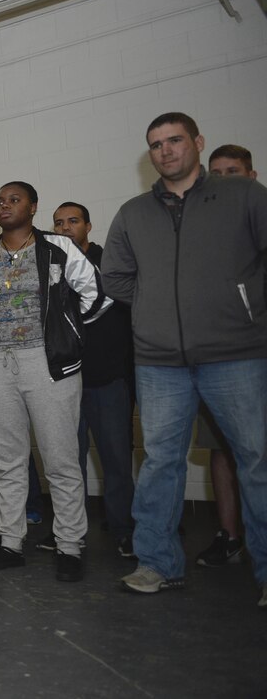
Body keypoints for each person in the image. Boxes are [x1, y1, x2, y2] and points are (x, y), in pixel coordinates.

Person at [102, 114, 267, 609]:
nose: (165, 151)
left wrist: (248, 305)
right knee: (160, 463)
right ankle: (157, 564)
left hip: (235, 353)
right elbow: (114, 277)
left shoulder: (244, 197)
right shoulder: (132, 213)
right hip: (158, 362)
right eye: (155, 145)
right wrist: (154, 309)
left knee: (257, 462)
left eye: (174, 141)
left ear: (197, 143)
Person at [0, 182, 108, 583]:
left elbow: (97, 296)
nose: (5, 206)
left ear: (33, 207)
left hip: (48, 364)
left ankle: (69, 545)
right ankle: (10, 541)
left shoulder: (58, 248)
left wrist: (68, 334)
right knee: (7, 460)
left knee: (60, 459)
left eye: (14, 199)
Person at [51, 202, 135, 558]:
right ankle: (72, 533)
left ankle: (123, 530)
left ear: (88, 225)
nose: (66, 227)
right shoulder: (51, 267)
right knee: (68, 461)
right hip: (64, 379)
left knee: (116, 459)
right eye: (58, 223)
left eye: (73, 221)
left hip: (107, 377)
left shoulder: (108, 263)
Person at [192, 144, 259, 568]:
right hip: (216, 361)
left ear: (251, 177)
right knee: (220, 450)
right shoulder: (200, 234)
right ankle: (230, 535)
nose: (223, 181)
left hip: (258, 358)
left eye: (232, 172)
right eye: (215, 174)